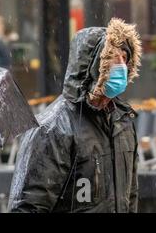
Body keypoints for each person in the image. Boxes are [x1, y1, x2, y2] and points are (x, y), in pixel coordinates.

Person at [8, 18, 142, 213]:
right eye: (113, 57)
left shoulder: (122, 121)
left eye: (124, 56)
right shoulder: (52, 128)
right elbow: (28, 207)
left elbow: (130, 196)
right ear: (93, 66)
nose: (121, 65)